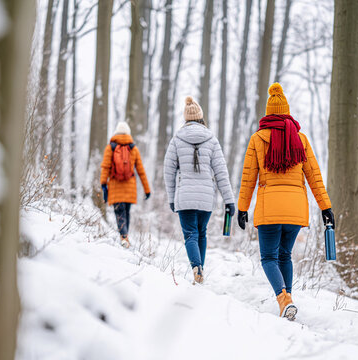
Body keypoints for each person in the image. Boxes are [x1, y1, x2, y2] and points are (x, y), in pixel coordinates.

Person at [237, 83, 335, 321]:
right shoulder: (300, 139)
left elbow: (249, 177)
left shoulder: (258, 138)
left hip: (269, 209)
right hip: (295, 210)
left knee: (268, 258)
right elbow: (314, 176)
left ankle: (284, 300)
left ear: (268, 113)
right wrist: (326, 207)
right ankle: (287, 302)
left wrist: (242, 208)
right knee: (284, 256)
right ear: (287, 112)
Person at [164, 96, 235, 284]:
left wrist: (171, 198)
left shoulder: (177, 139)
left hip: (185, 196)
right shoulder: (211, 140)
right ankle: (200, 270)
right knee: (201, 232)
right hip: (205, 198)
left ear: (186, 118)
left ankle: (196, 267)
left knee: (190, 234)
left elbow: (168, 171)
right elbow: (221, 172)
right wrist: (229, 200)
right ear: (201, 117)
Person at [100, 121, 151, 248]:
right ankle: (125, 237)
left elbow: (105, 167)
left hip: (115, 185)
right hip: (130, 186)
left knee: (119, 212)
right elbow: (140, 170)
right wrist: (147, 189)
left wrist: (103, 184)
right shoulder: (133, 148)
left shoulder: (110, 147)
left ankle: (123, 237)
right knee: (127, 212)